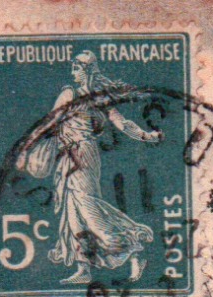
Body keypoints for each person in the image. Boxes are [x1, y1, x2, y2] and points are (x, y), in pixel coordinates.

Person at [16, 51, 163, 285]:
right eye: (73, 67)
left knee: (88, 208)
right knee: (72, 211)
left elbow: (122, 123)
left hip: (83, 154)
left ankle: (133, 248)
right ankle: (83, 268)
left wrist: (146, 136)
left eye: (76, 68)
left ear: (87, 71)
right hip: (67, 156)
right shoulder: (70, 93)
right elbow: (49, 122)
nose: (72, 72)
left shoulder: (95, 97)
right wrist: (27, 148)